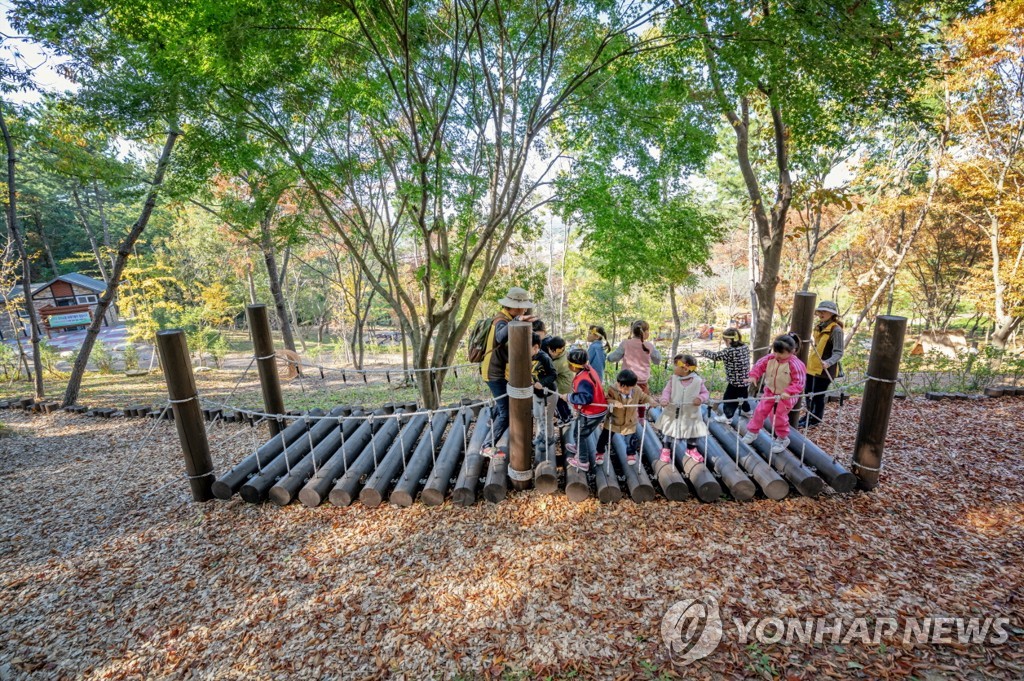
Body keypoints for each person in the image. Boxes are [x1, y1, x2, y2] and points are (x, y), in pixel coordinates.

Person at [481, 286, 536, 458]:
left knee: (503, 406)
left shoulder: (505, 318)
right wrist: (518, 319)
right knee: (506, 412)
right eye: (521, 307)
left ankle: (493, 425)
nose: (524, 309)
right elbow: (500, 336)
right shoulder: (501, 320)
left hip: (498, 372)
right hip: (494, 372)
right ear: (514, 307)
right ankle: (487, 446)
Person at [742, 333, 807, 454]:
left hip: (786, 395)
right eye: (775, 351)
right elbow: (759, 365)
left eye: (780, 353)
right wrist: (753, 375)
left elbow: (800, 381)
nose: (777, 355)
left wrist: (789, 391)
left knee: (777, 416)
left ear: (792, 351)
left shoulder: (795, 364)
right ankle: (753, 431)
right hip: (770, 391)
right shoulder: (770, 358)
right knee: (760, 410)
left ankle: (782, 438)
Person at [596, 369, 659, 466]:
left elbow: (644, 397)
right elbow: (607, 399)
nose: (623, 390)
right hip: (613, 420)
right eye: (621, 387)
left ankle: (631, 454)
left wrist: (651, 401)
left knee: (631, 439)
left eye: (626, 389)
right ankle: (600, 452)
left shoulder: (637, 391)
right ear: (618, 383)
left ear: (633, 386)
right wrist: (614, 403)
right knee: (604, 437)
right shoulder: (612, 389)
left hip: (629, 420)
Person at [656, 354, 710, 463]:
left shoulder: (697, 381)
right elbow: (667, 391)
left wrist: (700, 398)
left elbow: (705, 393)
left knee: (693, 432)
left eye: (676, 365)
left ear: (685, 368)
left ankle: (691, 449)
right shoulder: (673, 379)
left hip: (691, 412)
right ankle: (666, 449)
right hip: (673, 411)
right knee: (669, 431)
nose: (674, 368)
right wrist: (664, 399)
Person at [799, 300, 845, 428]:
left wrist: (828, 362)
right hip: (812, 365)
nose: (821, 314)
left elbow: (838, 352)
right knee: (808, 392)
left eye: (824, 311)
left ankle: (815, 419)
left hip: (825, 369)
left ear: (832, 314)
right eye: (820, 311)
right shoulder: (819, 326)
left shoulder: (836, 330)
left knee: (817, 395)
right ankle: (808, 415)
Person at [563, 347, 608, 472]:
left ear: (573, 366)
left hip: (592, 412)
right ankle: (578, 447)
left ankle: (583, 461)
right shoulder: (588, 370)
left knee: (580, 434)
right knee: (578, 430)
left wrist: (568, 397)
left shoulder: (583, 380)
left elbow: (585, 398)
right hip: (595, 410)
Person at [700, 327, 751, 423]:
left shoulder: (729, 351)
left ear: (728, 340)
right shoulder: (744, 346)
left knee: (729, 398)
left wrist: (704, 352)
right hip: (745, 379)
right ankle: (747, 411)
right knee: (743, 397)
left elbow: (716, 356)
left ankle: (727, 417)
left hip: (735, 382)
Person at [607, 319, 662, 394]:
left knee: (625, 404)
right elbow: (657, 360)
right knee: (642, 402)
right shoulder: (649, 346)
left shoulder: (625, 343)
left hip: (626, 382)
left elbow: (612, 358)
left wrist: (608, 357)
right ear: (645, 332)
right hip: (642, 383)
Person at [531, 333, 558, 437]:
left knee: (547, 419)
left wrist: (542, 383)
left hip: (549, 394)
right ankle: (541, 436)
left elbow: (553, 374)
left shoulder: (544, 358)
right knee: (537, 416)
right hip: (536, 393)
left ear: (536, 347)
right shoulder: (527, 357)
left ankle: (549, 440)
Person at [543, 336, 574, 426]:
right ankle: (569, 415)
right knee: (564, 403)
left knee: (558, 404)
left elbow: (550, 374)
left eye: (549, 350)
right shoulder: (565, 354)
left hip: (561, 387)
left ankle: (565, 419)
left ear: (554, 351)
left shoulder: (557, 363)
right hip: (567, 384)